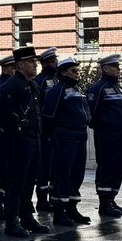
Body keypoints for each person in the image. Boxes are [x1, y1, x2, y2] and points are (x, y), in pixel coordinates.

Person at [0, 47, 50, 237]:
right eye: (30, 62)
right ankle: (12, 221)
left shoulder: (32, 85)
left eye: (35, 62)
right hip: (18, 142)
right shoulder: (12, 85)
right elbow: (3, 114)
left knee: (29, 182)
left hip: (34, 139)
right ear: (19, 65)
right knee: (16, 182)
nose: (34, 65)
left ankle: (27, 217)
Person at [43, 58, 92, 227]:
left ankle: (72, 208)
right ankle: (59, 211)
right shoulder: (56, 90)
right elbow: (48, 116)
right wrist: (54, 136)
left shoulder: (77, 90)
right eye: (74, 71)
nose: (77, 74)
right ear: (63, 73)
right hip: (64, 136)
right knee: (62, 173)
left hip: (80, 135)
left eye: (77, 71)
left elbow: (85, 111)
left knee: (77, 173)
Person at [88, 54, 122, 218]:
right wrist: (103, 127)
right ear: (105, 69)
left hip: (120, 134)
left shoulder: (118, 88)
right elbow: (91, 113)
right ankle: (104, 203)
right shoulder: (98, 88)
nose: (118, 70)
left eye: (118, 67)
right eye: (115, 67)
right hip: (106, 135)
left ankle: (112, 200)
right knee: (106, 167)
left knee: (117, 168)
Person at [34, 47, 59, 214]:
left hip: (56, 131)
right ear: (44, 63)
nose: (55, 64)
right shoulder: (40, 81)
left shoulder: (56, 80)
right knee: (44, 167)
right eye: (51, 62)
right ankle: (42, 200)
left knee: (53, 167)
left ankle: (51, 197)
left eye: (55, 61)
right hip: (45, 131)